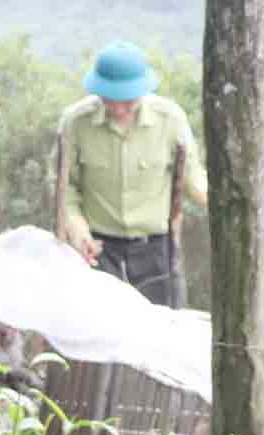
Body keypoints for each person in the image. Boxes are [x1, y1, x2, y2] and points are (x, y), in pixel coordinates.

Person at [54, 41, 207, 307]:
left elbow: (194, 180)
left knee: (164, 328)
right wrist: (77, 230)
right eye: (110, 99)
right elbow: (64, 187)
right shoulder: (75, 122)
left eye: (127, 100)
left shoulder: (171, 120)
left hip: (156, 248)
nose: (118, 108)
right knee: (97, 329)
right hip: (99, 249)